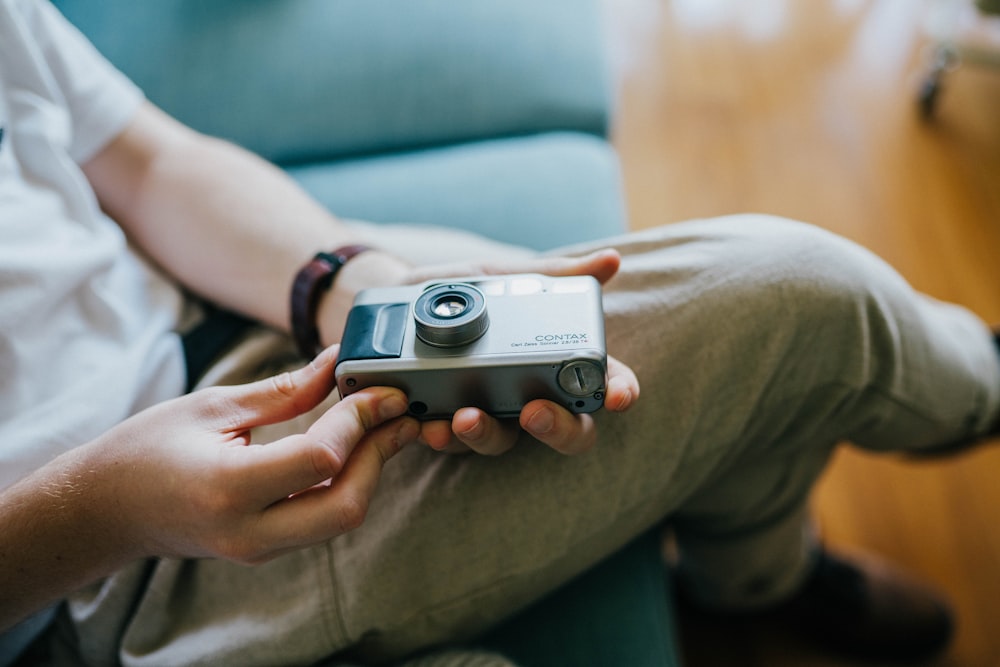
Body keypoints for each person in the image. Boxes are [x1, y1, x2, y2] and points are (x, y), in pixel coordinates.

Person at [1, 1, 996, 665]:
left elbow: (138, 160)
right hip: (78, 591)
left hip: (229, 351)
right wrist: (104, 510)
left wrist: (344, 280)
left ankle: (783, 557)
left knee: (792, 291)